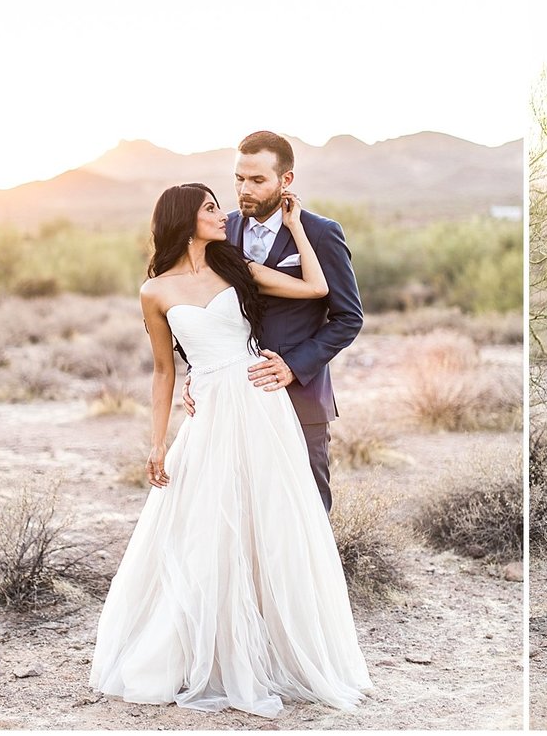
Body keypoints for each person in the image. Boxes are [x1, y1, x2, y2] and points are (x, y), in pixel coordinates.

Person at [89, 183, 372, 718]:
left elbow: (314, 289)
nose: (222, 214)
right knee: (205, 527)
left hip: (261, 403)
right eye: (210, 208)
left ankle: (272, 648)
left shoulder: (235, 266)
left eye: (219, 206)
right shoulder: (155, 293)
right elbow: (164, 370)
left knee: (273, 520)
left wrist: (295, 229)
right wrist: (157, 442)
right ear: (184, 221)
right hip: (210, 412)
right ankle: (208, 652)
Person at [183, 131, 363, 513]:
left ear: (286, 180)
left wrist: (294, 367)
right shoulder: (220, 232)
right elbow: (202, 308)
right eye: (238, 178)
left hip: (298, 396)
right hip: (232, 397)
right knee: (240, 507)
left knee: (305, 509)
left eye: (257, 180)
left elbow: (348, 318)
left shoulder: (320, 233)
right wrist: (195, 370)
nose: (243, 189)